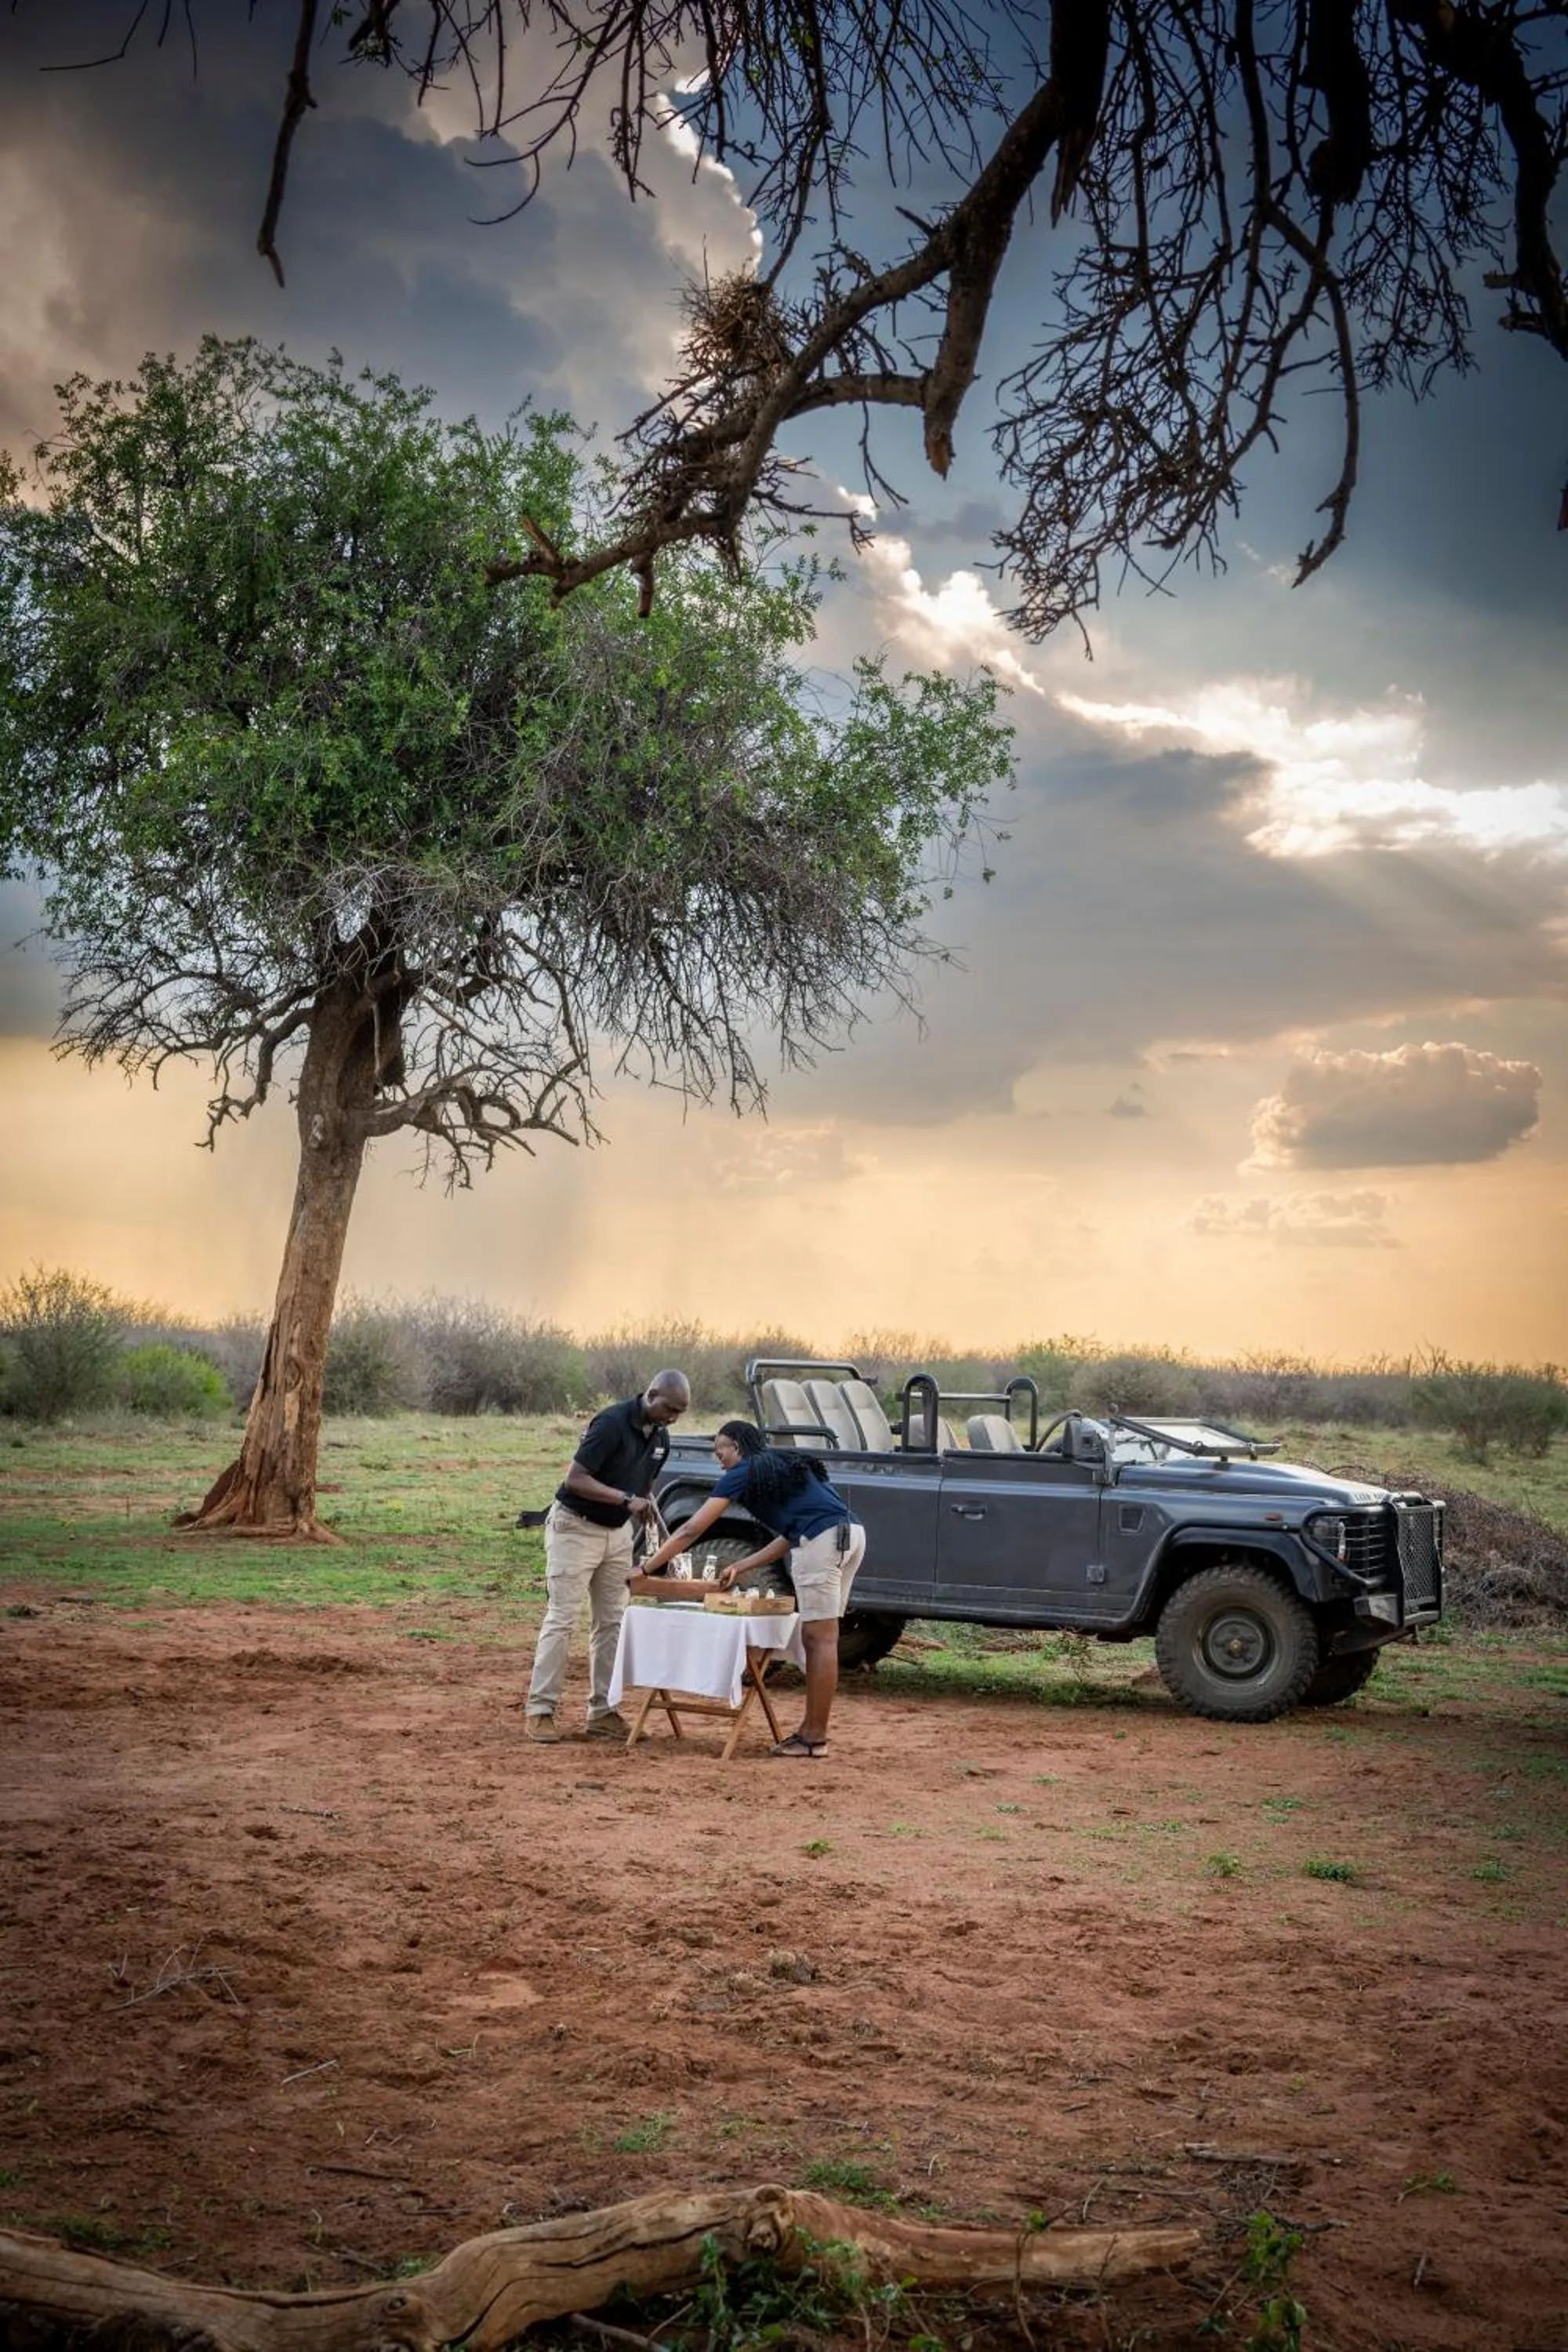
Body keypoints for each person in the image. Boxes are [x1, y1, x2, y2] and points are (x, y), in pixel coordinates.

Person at [640, 1420, 866, 1759]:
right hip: (852, 1536)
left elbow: (692, 1528)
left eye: (721, 1452)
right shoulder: (788, 1463)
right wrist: (744, 1565)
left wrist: (647, 1567)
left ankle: (814, 1737)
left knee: (820, 1639)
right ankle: (811, 1732)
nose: (719, 1461)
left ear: (738, 1447)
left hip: (821, 1543)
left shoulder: (743, 1472)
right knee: (822, 1636)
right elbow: (792, 1533)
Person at [524, 1370, 691, 1743]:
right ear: (651, 1394)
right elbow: (575, 1479)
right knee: (563, 1620)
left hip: (617, 1534)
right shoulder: (612, 1423)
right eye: (669, 1409)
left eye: (680, 1412)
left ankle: (602, 1711)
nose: (673, 1418)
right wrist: (623, 1499)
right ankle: (541, 1710)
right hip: (576, 1527)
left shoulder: (661, 1437)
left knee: (613, 1622)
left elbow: (645, 1489)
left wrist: (659, 1529)